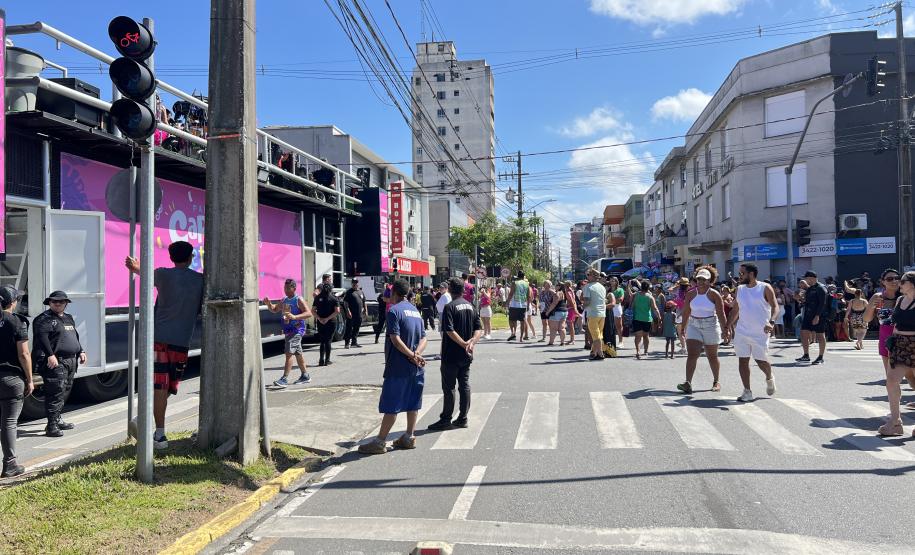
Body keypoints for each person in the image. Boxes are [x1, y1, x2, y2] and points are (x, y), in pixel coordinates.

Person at [125, 240, 203, 449]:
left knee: (162, 386)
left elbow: (138, 268)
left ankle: (149, 426)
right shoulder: (201, 280)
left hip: (158, 339)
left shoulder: (162, 274)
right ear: (191, 258)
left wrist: (133, 263)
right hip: (182, 341)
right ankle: (157, 433)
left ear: (170, 258)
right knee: (167, 387)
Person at [359, 280, 427, 454]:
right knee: (413, 403)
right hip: (416, 367)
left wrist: (411, 355)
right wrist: (417, 354)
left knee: (392, 404)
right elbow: (423, 338)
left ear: (394, 293)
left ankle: (380, 441)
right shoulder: (415, 311)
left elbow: (395, 340)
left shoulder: (394, 312)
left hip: (398, 366)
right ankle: (409, 436)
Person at [428, 277, 482, 431]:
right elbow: (479, 329)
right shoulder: (470, 306)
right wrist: (472, 342)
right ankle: (463, 418)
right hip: (466, 355)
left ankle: (446, 419)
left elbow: (449, 330)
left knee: (449, 387)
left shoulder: (449, 307)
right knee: (464, 386)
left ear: (450, 290)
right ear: (463, 290)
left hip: (451, 354)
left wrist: (464, 343)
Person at [32, 291, 87, 438]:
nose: (57, 304)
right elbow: (42, 338)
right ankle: (51, 426)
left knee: (65, 391)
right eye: (54, 301)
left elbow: (74, 335)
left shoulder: (68, 318)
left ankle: (57, 419)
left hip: (71, 361)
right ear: (49, 303)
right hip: (56, 362)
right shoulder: (43, 319)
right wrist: (50, 355)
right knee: (55, 392)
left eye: (61, 302)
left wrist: (81, 350)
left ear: (66, 303)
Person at [726, 263, 778, 402]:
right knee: (743, 361)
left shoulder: (765, 288)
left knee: (761, 361)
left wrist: (771, 321)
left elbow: (775, 306)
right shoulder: (740, 289)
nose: (740, 276)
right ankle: (747, 391)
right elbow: (735, 310)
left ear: (751, 274)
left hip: (760, 332)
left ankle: (769, 377)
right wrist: (727, 327)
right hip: (742, 331)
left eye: (742, 273)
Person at [677, 266, 728, 394]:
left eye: (704, 279)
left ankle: (716, 381)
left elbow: (721, 314)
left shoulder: (714, 294)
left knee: (712, 356)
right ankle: (688, 383)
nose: (701, 282)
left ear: (710, 281)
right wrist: (683, 327)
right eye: (699, 279)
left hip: (711, 324)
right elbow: (687, 311)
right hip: (694, 324)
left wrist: (725, 329)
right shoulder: (690, 293)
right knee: (692, 354)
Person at [0, 286, 33, 478]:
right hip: (11, 379)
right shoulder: (18, 322)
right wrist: (30, 379)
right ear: (13, 302)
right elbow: (24, 353)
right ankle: (10, 464)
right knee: (9, 422)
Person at [877, 271, 915, 437]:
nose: (899, 284)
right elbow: (895, 322)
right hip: (899, 345)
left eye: (903, 281)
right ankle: (895, 422)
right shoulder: (900, 300)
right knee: (891, 381)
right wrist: (892, 341)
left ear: (912, 283)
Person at [264, 279, 312, 387]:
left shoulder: (298, 299)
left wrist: (295, 317)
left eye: (288, 288)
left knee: (288, 353)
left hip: (297, 330)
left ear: (294, 288)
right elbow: (275, 309)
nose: (285, 290)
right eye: (285, 288)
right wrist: (268, 304)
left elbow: (309, 313)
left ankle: (284, 379)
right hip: (289, 331)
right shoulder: (284, 299)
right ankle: (305, 375)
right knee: (298, 354)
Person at [797, 271, 828, 365]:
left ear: (811, 278)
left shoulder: (821, 288)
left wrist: (817, 316)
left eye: (806, 278)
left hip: (819, 316)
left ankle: (820, 357)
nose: (806, 281)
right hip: (808, 315)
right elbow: (807, 302)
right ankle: (806, 355)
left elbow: (822, 304)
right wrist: (800, 300)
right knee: (803, 333)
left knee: (820, 335)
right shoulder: (810, 289)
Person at [631, 281, 661, 360]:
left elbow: (632, 306)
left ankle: (638, 351)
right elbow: (655, 308)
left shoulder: (636, 295)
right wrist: (659, 317)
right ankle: (646, 351)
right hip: (647, 319)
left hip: (637, 318)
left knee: (638, 336)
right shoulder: (650, 297)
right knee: (646, 336)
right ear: (648, 288)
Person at [313, 283, 340, 366]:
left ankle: (321, 360)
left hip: (320, 322)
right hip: (331, 322)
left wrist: (319, 318)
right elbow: (337, 311)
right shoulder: (334, 298)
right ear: (331, 289)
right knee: (328, 341)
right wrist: (327, 318)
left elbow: (313, 311)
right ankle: (327, 360)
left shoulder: (317, 298)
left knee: (322, 341)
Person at [583, 269, 607, 361]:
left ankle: (600, 353)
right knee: (599, 334)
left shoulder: (588, 287)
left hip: (593, 313)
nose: (587, 276)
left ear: (592, 276)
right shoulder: (602, 287)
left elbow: (587, 301)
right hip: (602, 313)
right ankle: (594, 352)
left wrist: (582, 306)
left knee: (596, 335)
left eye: (588, 274)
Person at [342, 279, 367, 348]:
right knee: (349, 328)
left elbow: (364, 301)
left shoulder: (361, 291)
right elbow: (345, 302)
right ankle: (347, 343)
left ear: (358, 283)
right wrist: (348, 311)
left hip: (359, 314)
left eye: (356, 283)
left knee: (356, 328)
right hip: (351, 314)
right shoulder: (349, 292)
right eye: (353, 282)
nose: (354, 284)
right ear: (351, 283)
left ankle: (354, 342)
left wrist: (365, 310)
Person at [544, 281, 569, 346]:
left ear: (559, 286)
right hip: (564, 311)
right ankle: (562, 342)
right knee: (562, 328)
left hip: (556, 312)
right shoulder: (564, 293)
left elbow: (554, 303)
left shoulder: (557, 293)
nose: (555, 286)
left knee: (553, 328)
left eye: (557, 285)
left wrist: (548, 311)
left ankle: (551, 342)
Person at [507, 271, 530, 342]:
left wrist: (507, 302)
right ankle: (521, 337)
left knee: (511, 319)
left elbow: (511, 294)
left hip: (514, 304)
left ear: (517, 276)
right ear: (523, 276)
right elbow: (528, 296)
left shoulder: (515, 283)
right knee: (522, 321)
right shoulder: (527, 284)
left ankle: (513, 332)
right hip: (523, 304)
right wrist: (528, 305)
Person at [845, 282, 868, 350]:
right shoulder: (864, 301)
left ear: (855, 294)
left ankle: (860, 344)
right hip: (862, 316)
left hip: (854, 316)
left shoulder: (851, 301)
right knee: (863, 331)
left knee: (858, 331)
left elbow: (848, 309)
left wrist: (846, 317)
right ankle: (858, 342)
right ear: (861, 294)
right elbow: (868, 309)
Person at [609, 277, 625, 345]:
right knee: (609, 326)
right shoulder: (608, 290)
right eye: (611, 281)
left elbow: (621, 299)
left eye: (614, 281)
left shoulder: (620, 289)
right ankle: (610, 341)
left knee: (618, 326)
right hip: (609, 307)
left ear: (616, 282)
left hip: (616, 308)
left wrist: (612, 301)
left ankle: (621, 341)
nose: (612, 282)